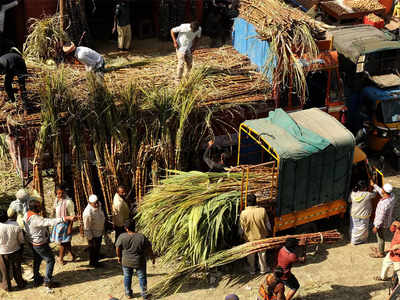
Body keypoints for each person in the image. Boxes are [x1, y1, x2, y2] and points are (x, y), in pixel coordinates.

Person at [24, 199, 76, 288]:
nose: (41, 207)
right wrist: (65, 218)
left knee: (37, 260)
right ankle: (48, 281)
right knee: (50, 260)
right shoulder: (36, 219)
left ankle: (37, 279)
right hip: (40, 244)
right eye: (39, 206)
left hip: (33, 242)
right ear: (35, 208)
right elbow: (50, 222)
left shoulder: (27, 214)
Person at [115, 219, 155, 299]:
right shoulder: (141, 237)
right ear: (134, 227)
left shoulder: (122, 236)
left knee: (127, 276)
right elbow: (149, 248)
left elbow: (117, 247)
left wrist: (119, 257)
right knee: (142, 277)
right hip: (139, 261)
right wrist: (152, 257)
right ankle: (144, 295)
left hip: (126, 261)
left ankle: (128, 293)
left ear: (126, 228)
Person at [239, 193, 271, 274]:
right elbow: (268, 224)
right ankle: (263, 269)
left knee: (251, 255)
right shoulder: (262, 210)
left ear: (247, 202)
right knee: (262, 254)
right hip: (262, 237)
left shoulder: (244, 213)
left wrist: (240, 235)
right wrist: (269, 231)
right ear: (255, 201)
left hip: (250, 238)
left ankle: (252, 270)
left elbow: (241, 228)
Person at [0, 209, 25, 291]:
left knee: (5, 271)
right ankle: (20, 284)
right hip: (15, 250)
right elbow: (21, 240)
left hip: (2, 252)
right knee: (17, 268)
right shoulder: (15, 224)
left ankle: (7, 287)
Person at [50, 184, 76, 265]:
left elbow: (72, 216)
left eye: (61, 193)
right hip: (58, 224)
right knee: (66, 241)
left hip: (65, 225)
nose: (59, 195)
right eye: (58, 193)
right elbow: (55, 209)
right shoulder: (57, 199)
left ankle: (60, 258)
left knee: (62, 242)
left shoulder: (68, 202)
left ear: (64, 192)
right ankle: (71, 254)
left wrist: (70, 227)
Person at [370, 182, 396, 258]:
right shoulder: (392, 196)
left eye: (383, 189)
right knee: (381, 236)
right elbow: (381, 192)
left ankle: (381, 253)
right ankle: (380, 249)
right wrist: (374, 185)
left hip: (381, 224)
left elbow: (381, 216)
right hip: (387, 221)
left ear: (384, 191)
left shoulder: (383, 204)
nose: (382, 190)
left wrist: (376, 226)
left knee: (380, 237)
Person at [349, 180, 375, 245]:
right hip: (364, 216)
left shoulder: (352, 194)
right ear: (365, 187)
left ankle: (353, 240)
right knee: (363, 229)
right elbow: (374, 194)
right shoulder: (367, 194)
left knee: (354, 228)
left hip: (354, 215)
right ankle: (360, 241)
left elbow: (349, 200)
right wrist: (373, 186)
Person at [83, 194, 105, 268]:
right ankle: (93, 263)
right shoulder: (87, 213)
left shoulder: (99, 205)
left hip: (99, 231)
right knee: (93, 249)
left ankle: (96, 260)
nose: (96, 204)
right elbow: (87, 227)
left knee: (97, 247)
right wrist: (90, 238)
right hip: (93, 234)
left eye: (96, 202)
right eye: (94, 203)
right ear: (89, 203)